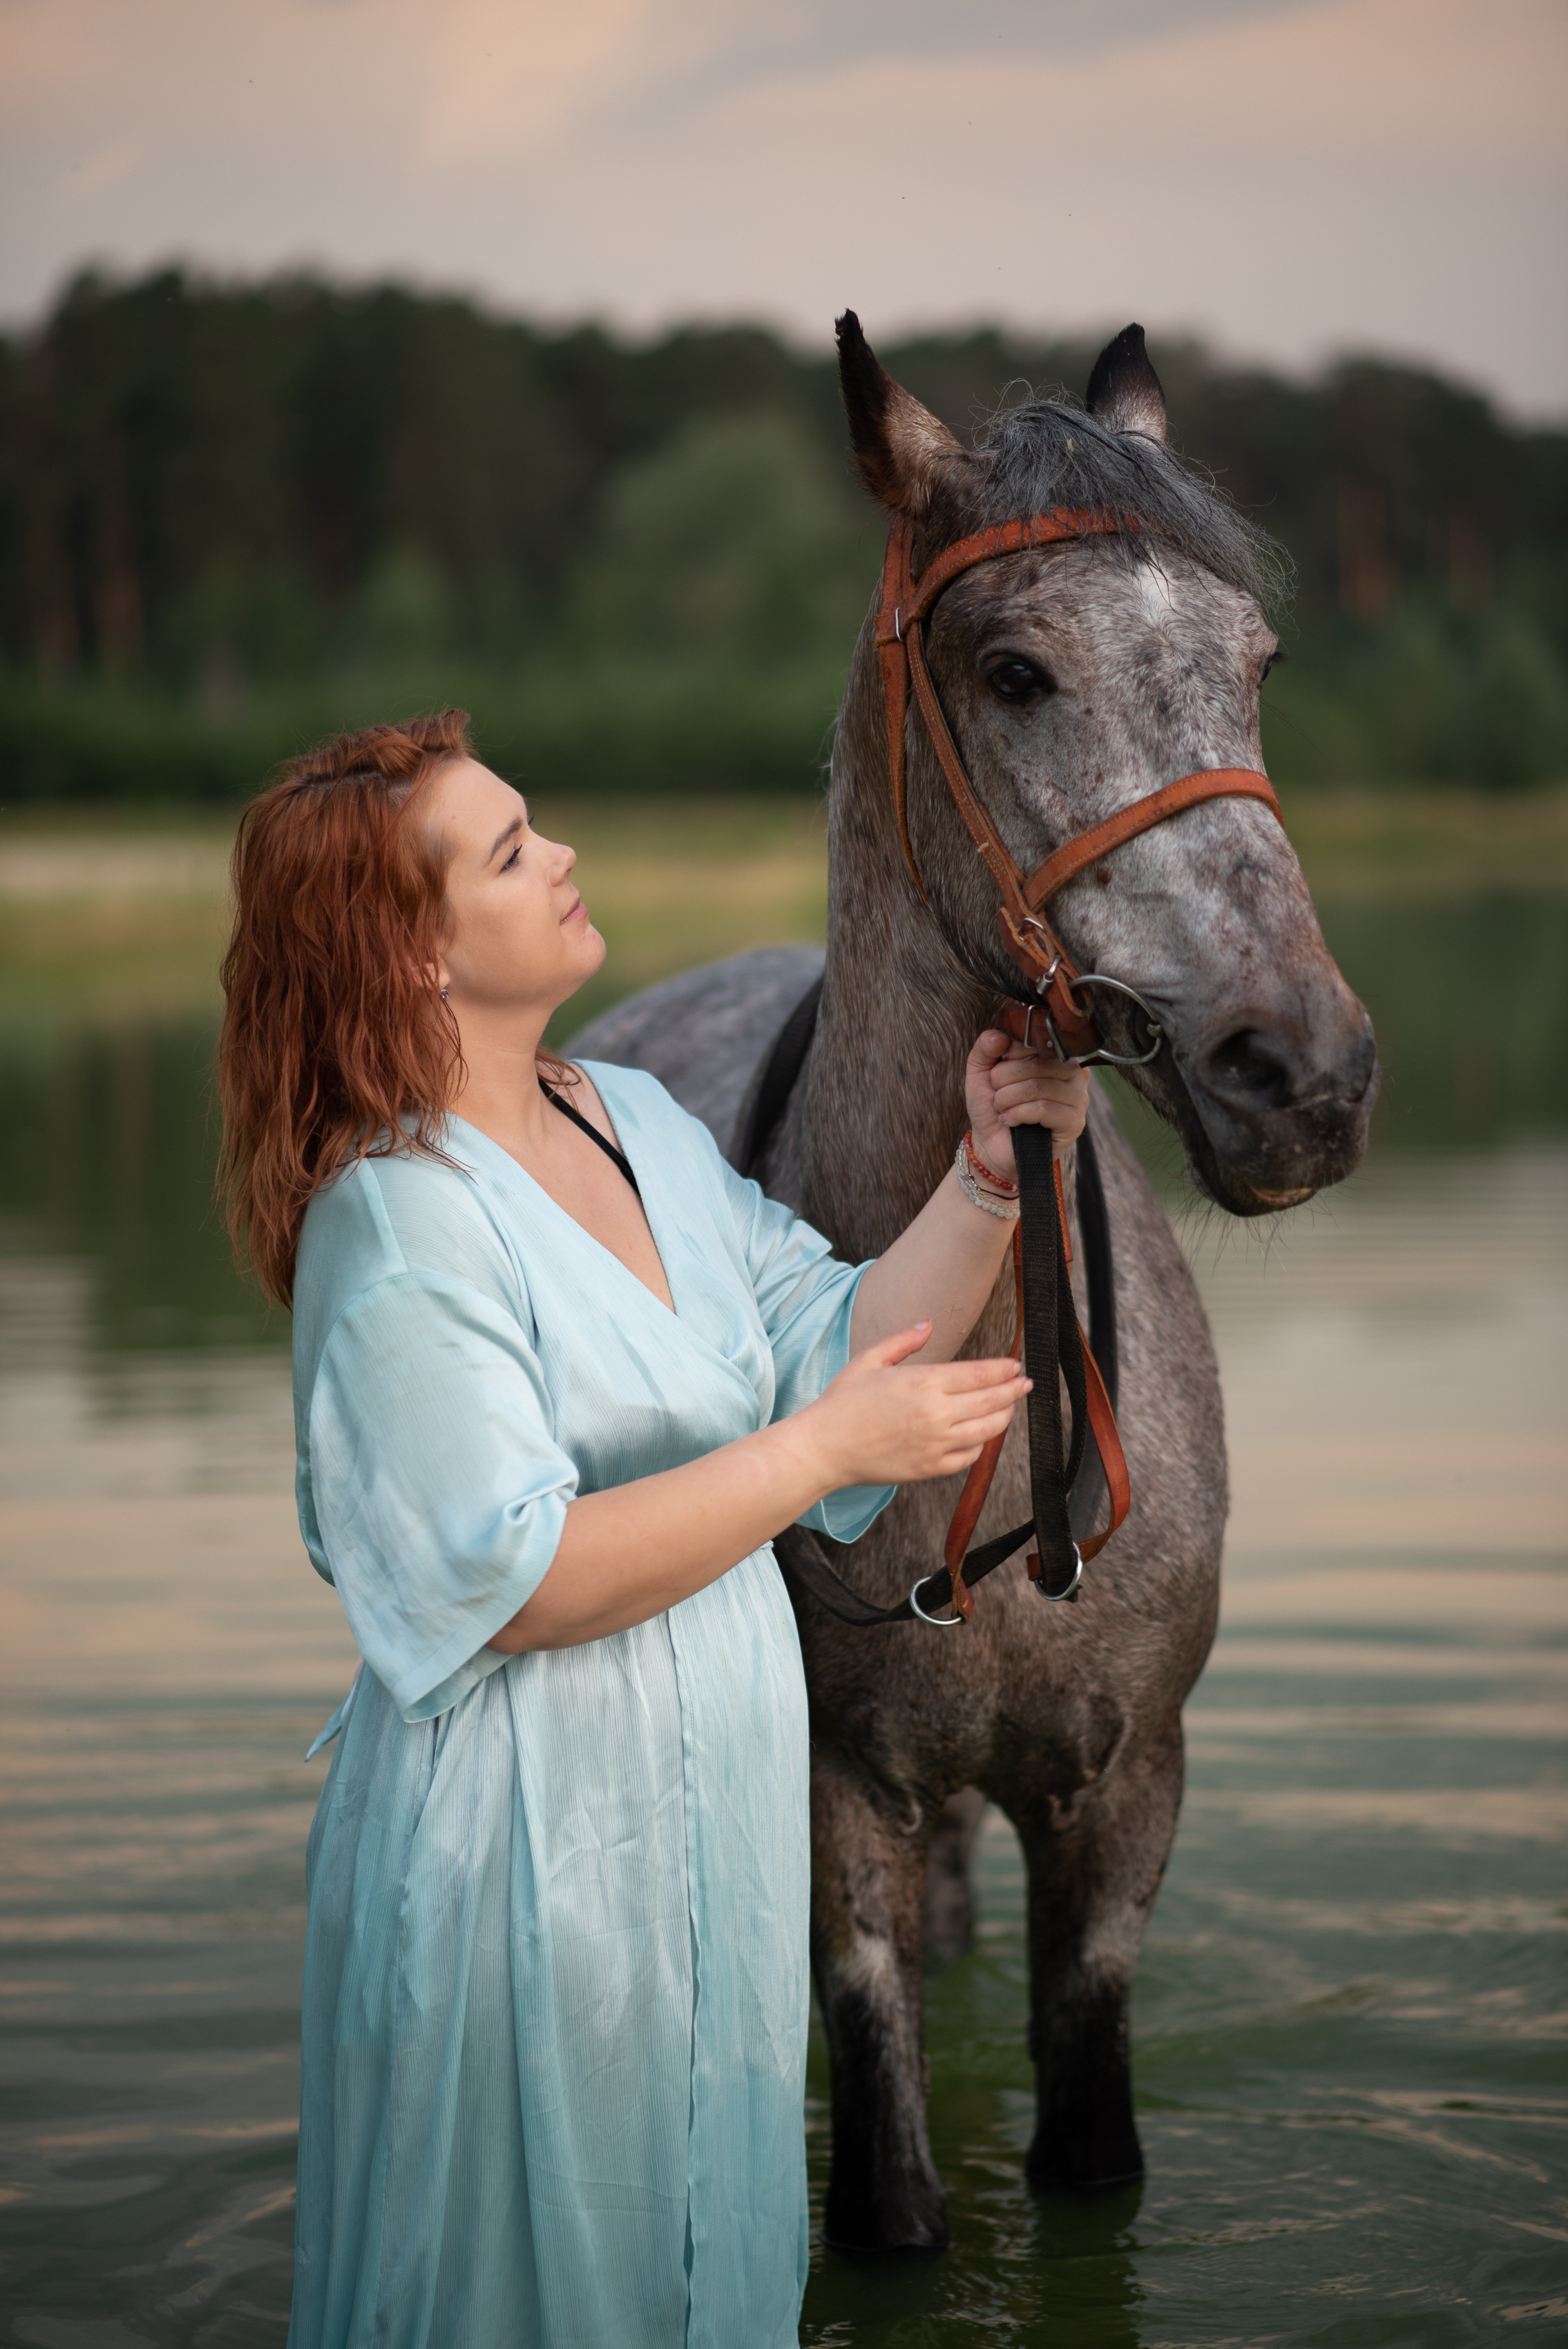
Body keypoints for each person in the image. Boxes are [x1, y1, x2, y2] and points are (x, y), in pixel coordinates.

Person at [217, 709, 1089, 2349]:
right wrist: (823, 1448)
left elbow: (839, 1336)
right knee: (518, 2280)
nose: (558, 858)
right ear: (411, 954)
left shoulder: (631, 1116)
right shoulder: (393, 1218)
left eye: (533, 825)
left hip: (710, 1837)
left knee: (709, 2257)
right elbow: (516, 1576)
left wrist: (981, 1177)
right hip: (524, 1852)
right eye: (506, 851)